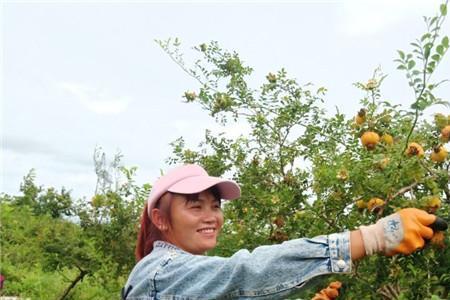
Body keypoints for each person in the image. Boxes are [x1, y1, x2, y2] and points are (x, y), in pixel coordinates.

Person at [122, 164, 441, 300]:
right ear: (160, 220)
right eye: (195, 206)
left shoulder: (180, 275)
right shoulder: (161, 273)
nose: (211, 217)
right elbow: (244, 273)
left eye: (215, 206)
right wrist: (372, 238)